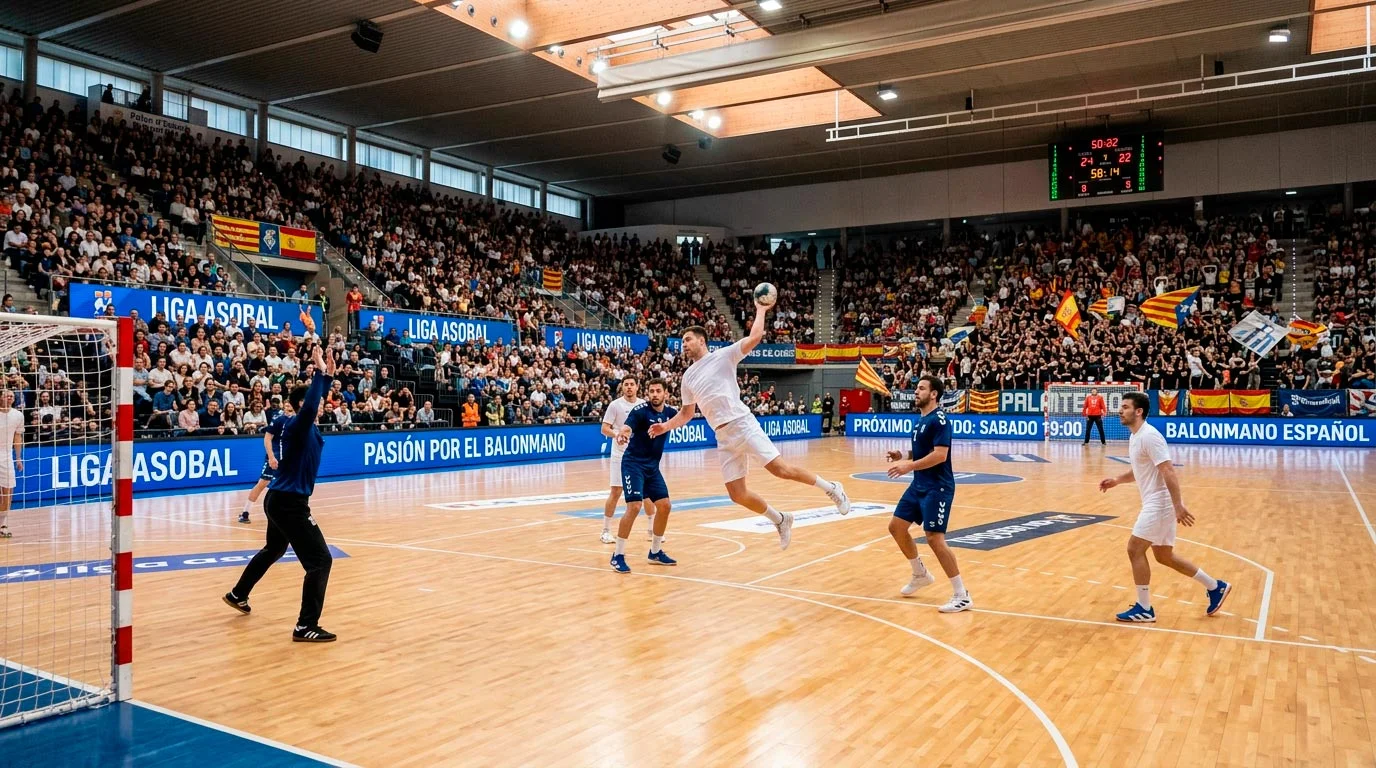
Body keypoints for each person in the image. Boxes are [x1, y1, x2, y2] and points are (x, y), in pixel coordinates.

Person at [647, 299, 849, 550]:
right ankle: (781, 519)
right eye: (683, 341)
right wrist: (665, 426)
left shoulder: (723, 355)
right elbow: (687, 414)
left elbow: (755, 337)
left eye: (688, 339)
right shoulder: (687, 377)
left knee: (780, 470)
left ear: (701, 340)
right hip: (722, 436)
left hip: (742, 423)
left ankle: (832, 488)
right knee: (737, 493)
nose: (684, 344)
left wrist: (761, 310)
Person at [223, 343, 339, 643]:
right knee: (320, 561)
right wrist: (320, 374)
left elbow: (313, 403)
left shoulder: (304, 426)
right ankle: (305, 626)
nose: (323, 405)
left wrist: (325, 379)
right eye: (318, 402)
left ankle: (238, 594)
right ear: (303, 405)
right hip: (289, 504)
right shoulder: (298, 425)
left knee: (274, 549)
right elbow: (311, 403)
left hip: (279, 499)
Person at [1100, 392, 1232, 623]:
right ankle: (1215, 586)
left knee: (1134, 549)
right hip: (1158, 503)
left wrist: (1177, 505)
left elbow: (1168, 470)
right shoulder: (1135, 436)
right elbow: (1140, 470)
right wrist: (1117, 481)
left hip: (1159, 503)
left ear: (1138, 411)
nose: (1120, 411)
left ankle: (1144, 608)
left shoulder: (1150, 436)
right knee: (1163, 556)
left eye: (1125, 407)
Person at [884, 375, 971, 613]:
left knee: (934, 538)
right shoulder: (921, 420)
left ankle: (961, 594)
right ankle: (920, 573)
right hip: (919, 485)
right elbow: (924, 450)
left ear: (934, 394)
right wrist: (903, 456)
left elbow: (940, 455)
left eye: (921, 388)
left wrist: (907, 467)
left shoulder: (939, 419)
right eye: (916, 388)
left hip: (938, 488)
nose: (916, 391)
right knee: (896, 527)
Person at [609, 378, 677, 573]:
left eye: (658, 391)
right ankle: (618, 555)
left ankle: (655, 552)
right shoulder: (640, 411)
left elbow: (686, 415)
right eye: (652, 391)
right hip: (633, 464)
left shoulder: (669, 413)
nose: (655, 394)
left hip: (652, 467)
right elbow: (627, 426)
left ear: (665, 394)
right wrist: (622, 433)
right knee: (635, 506)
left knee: (664, 506)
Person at [598, 377, 642, 544]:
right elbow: (604, 428)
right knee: (616, 492)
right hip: (620, 456)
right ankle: (606, 530)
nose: (629, 387)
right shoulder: (615, 405)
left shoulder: (643, 404)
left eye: (632, 384)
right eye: (626, 385)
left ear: (637, 387)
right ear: (622, 387)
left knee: (646, 494)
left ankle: (652, 530)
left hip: (639, 455)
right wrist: (617, 434)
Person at [239, 403, 292, 524]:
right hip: (275, 457)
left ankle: (286, 512)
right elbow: (267, 438)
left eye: (291, 408)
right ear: (284, 408)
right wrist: (271, 457)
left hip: (287, 458)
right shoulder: (278, 420)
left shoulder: (296, 421)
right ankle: (245, 513)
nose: (289, 410)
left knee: (287, 484)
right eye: (287, 407)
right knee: (262, 483)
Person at [0, 390, 23, 538]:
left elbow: (17, 437)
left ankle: (3, 525)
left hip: (6, 456)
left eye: (11, 396)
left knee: (8, 491)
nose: (9, 397)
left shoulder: (18, 415)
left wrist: (18, 458)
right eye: (6, 395)